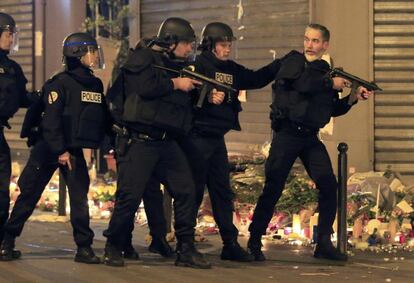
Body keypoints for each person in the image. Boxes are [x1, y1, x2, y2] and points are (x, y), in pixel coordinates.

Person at [247, 23, 374, 261]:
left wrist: (352, 98)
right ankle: (254, 241)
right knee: (273, 187)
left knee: (328, 185)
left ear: (325, 44)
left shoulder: (324, 72)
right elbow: (302, 84)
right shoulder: (294, 62)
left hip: (309, 137)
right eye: (307, 39)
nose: (310, 45)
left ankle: (324, 242)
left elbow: (331, 109)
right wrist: (330, 83)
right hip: (286, 135)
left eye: (315, 41)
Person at [103, 17, 211, 269]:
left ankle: (186, 248)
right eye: (185, 44)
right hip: (140, 142)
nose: (188, 49)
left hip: (167, 142)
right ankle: (114, 246)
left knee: (185, 191)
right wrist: (176, 83)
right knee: (129, 198)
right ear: (171, 42)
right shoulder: (143, 58)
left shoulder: (177, 66)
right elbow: (144, 86)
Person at [167, 22, 280, 262]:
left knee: (221, 192)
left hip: (217, 139)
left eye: (229, 45)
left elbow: (256, 78)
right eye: (223, 45)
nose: (227, 50)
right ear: (210, 45)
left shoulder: (230, 69)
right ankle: (184, 245)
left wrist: (279, 65)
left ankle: (229, 243)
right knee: (193, 192)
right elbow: (184, 92)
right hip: (197, 138)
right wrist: (206, 96)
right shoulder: (197, 65)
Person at [0, 32, 107, 264]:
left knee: (79, 199)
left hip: (74, 149)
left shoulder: (95, 84)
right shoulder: (59, 84)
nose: (96, 55)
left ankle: (84, 248)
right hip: (50, 148)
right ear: (78, 55)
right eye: (91, 51)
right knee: (29, 195)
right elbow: (50, 121)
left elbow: (101, 117)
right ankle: (7, 241)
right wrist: (60, 150)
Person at [0, 12, 36, 260]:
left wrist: (48, 96)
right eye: (8, 32)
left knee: (2, 189)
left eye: (13, 33)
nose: (11, 37)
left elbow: (23, 98)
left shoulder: (12, 67)